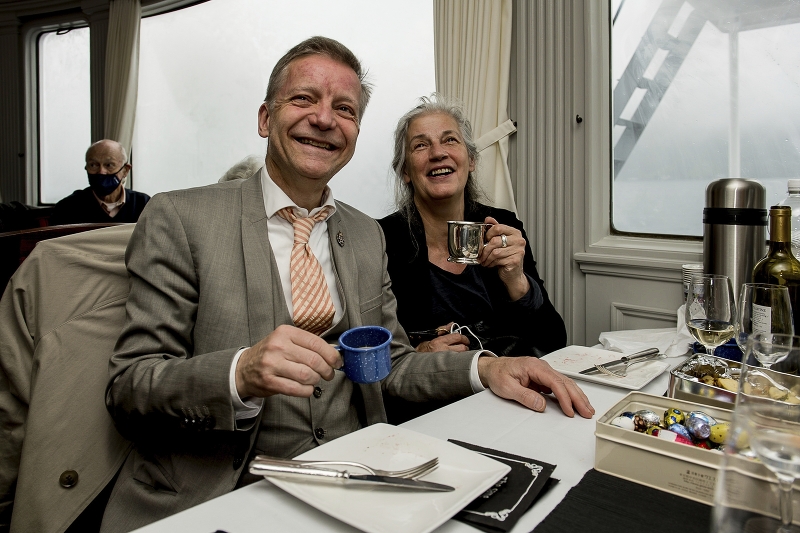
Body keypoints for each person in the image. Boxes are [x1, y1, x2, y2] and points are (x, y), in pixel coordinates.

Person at [100, 37, 593, 533]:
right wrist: (238, 374)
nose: (324, 118)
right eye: (303, 99)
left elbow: (392, 367)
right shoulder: (181, 218)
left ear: (355, 133)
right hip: (224, 490)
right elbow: (128, 389)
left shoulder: (362, 235)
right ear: (265, 119)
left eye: (344, 108)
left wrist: (486, 369)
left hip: (357, 474)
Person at [377, 94, 568, 423]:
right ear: (405, 171)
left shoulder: (502, 227)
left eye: (450, 140)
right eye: (421, 145)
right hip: (431, 410)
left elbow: (553, 339)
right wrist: (416, 356)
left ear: (471, 159)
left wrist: (517, 282)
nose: (438, 152)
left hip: (512, 402)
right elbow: (374, 355)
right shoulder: (381, 240)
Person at [51, 140, 149, 225]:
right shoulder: (67, 208)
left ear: (125, 170)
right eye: (93, 165)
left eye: (109, 165)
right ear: (86, 168)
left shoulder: (144, 204)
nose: (101, 171)